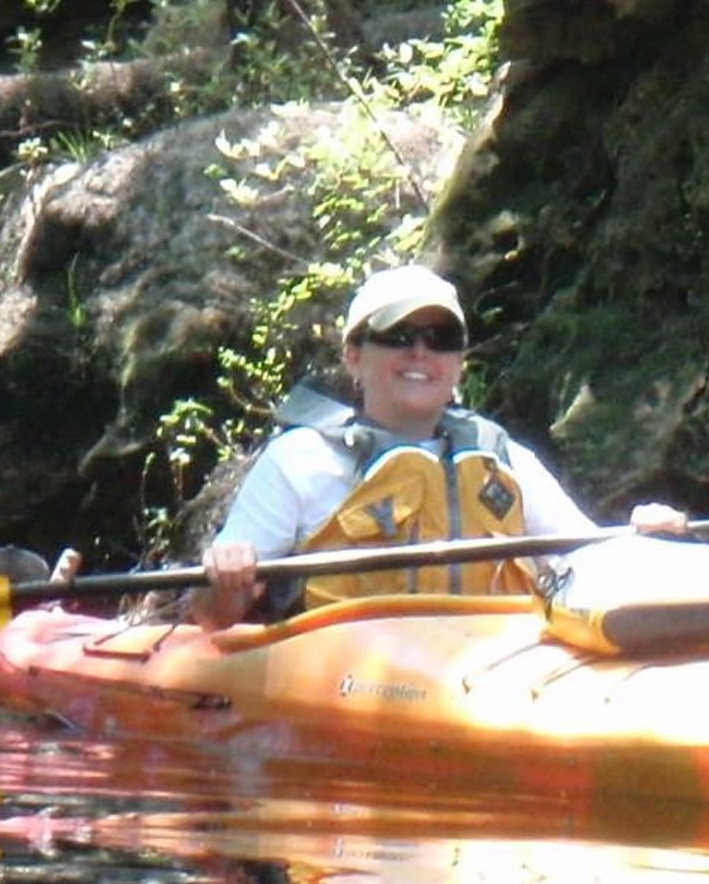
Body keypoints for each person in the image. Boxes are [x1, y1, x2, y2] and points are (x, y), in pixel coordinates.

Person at [197, 266, 681, 623]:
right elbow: (214, 619)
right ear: (354, 356)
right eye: (398, 334)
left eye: (441, 337)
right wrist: (228, 575)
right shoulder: (301, 462)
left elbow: (586, 560)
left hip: (497, 667)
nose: (420, 352)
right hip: (353, 680)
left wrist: (642, 539)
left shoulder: (503, 459)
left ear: (458, 363)